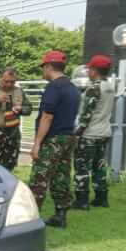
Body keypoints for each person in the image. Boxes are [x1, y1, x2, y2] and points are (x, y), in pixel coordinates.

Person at [28, 50, 80, 228]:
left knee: (39, 178)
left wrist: (37, 144)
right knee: (61, 176)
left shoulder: (54, 87)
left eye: (43, 67)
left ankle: (30, 219)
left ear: (49, 66)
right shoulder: (72, 87)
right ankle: (60, 215)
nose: (43, 71)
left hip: (53, 139)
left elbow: (47, 117)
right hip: (68, 137)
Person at [72, 55, 115, 210]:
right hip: (104, 132)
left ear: (95, 70)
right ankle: (101, 198)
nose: (88, 72)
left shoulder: (93, 88)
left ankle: (82, 201)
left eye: (90, 69)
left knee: (82, 168)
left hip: (89, 134)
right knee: (99, 166)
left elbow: (86, 116)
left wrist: (77, 134)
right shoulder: (109, 87)